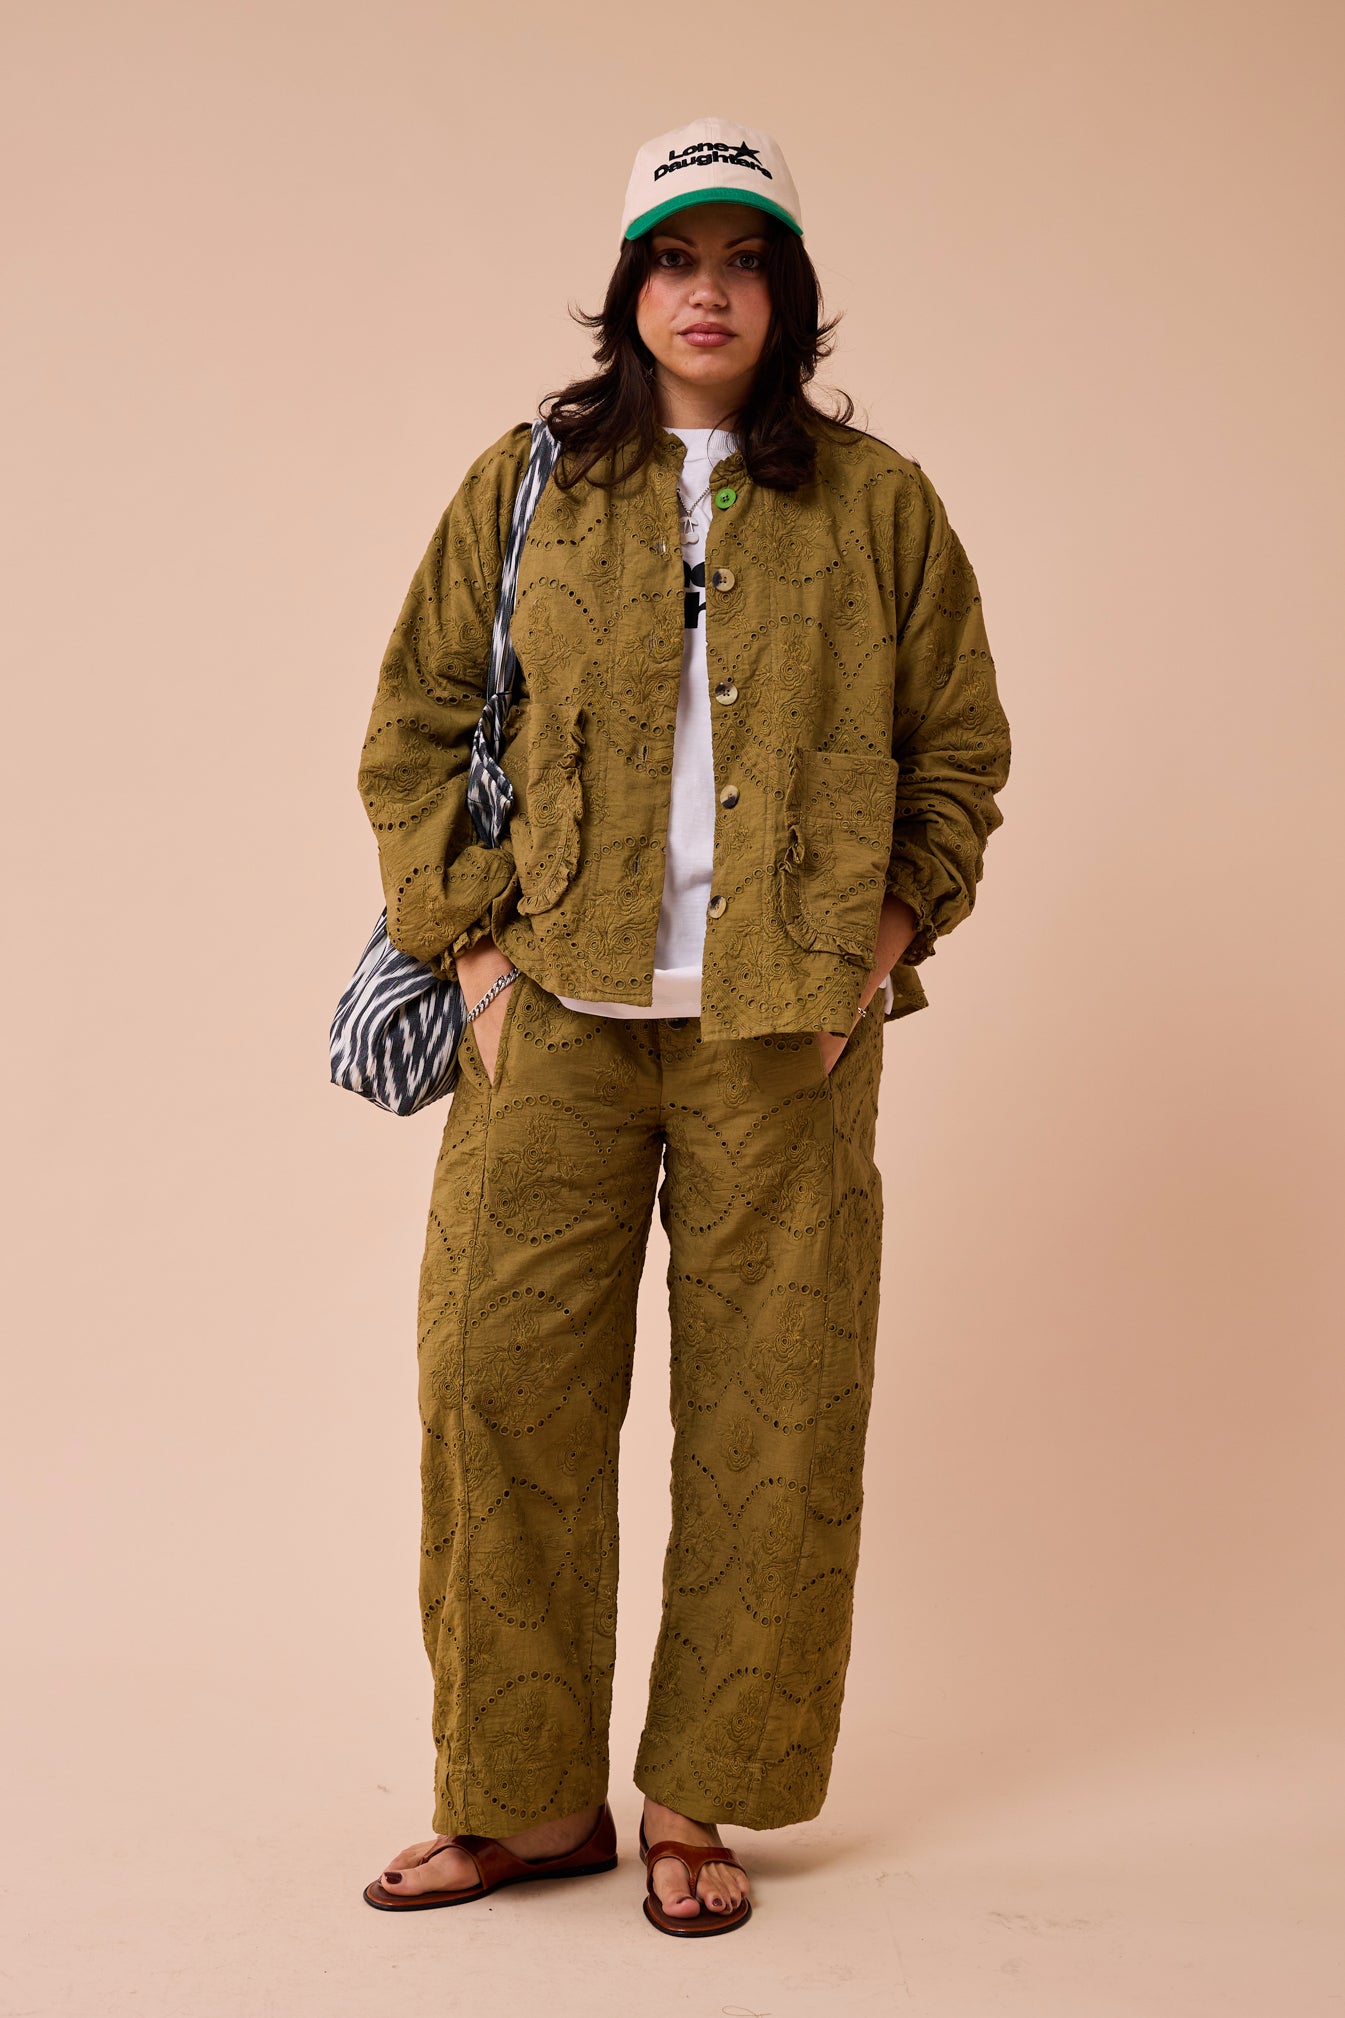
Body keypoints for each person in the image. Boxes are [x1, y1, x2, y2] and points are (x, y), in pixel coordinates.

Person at [355, 114, 1011, 1935]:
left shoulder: (880, 504)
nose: (703, 291)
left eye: (739, 261)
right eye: (671, 257)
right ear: (627, 288)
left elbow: (958, 752)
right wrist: (475, 965)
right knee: (499, 1393)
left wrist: (876, 951)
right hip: (549, 1018)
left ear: (783, 295)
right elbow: (415, 727)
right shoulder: (525, 485)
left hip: (784, 1034)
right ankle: (523, 1800)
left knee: (771, 1415)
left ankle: (692, 1800)